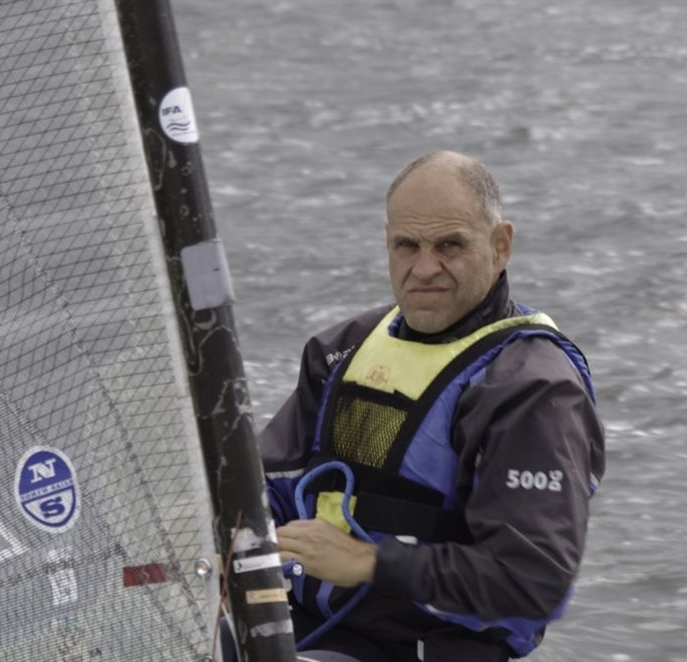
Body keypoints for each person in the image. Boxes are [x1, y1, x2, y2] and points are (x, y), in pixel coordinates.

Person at [259, 150, 605, 662]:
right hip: (305, 627)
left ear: (500, 245)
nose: (424, 268)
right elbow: (273, 485)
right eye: (407, 245)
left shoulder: (532, 390)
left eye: (449, 245)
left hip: (427, 647)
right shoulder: (343, 349)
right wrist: (235, 527)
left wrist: (369, 562)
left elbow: (533, 585)